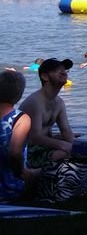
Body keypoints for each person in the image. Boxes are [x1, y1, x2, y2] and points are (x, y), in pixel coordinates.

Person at [19, 59, 75, 169]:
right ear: (45, 77)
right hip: (29, 151)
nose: (64, 73)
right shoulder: (35, 102)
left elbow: (66, 131)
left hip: (44, 146)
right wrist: (64, 145)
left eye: (65, 70)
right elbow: (35, 137)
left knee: (86, 147)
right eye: (57, 71)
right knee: (66, 153)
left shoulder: (59, 102)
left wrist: (77, 146)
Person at [1, 70, 39, 201]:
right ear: (19, 95)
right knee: (43, 173)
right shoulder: (20, 118)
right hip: (9, 186)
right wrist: (23, 173)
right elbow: (14, 153)